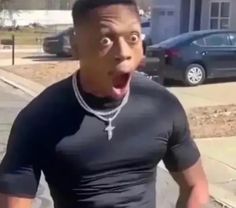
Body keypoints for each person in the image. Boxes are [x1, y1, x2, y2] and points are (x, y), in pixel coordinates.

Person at [0, 0, 209, 207]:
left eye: (133, 38)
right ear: (76, 47)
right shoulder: (39, 118)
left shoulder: (162, 107)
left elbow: (196, 187)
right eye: (105, 40)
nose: (124, 52)